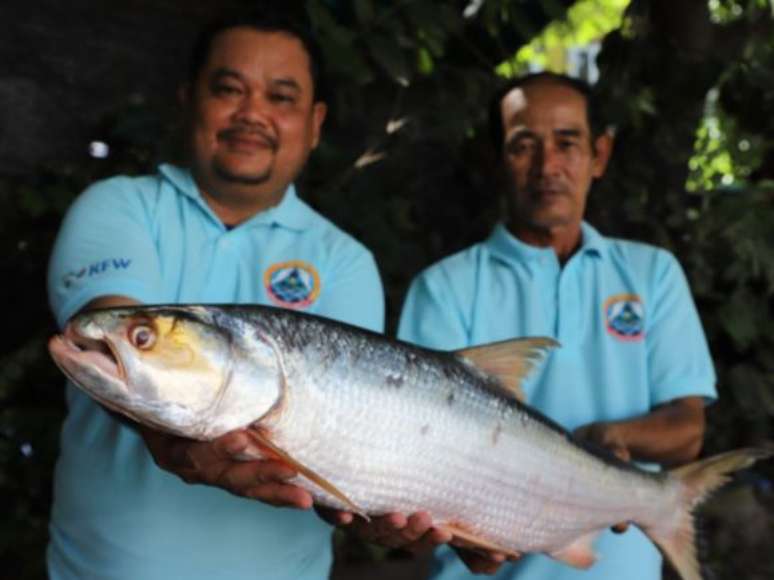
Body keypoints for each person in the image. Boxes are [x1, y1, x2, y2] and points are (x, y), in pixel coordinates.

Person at [46, 11, 385, 580]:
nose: (252, 113)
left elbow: (342, 442)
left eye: (281, 97)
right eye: (229, 89)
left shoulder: (347, 262)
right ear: (188, 99)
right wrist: (172, 437)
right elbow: (106, 326)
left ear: (315, 122)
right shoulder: (118, 206)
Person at [396, 72, 717, 579]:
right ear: (497, 160)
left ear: (600, 155)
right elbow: (419, 452)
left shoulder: (652, 273)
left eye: (567, 142)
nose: (548, 166)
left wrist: (613, 435)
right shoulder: (443, 287)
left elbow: (688, 428)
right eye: (524, 145)